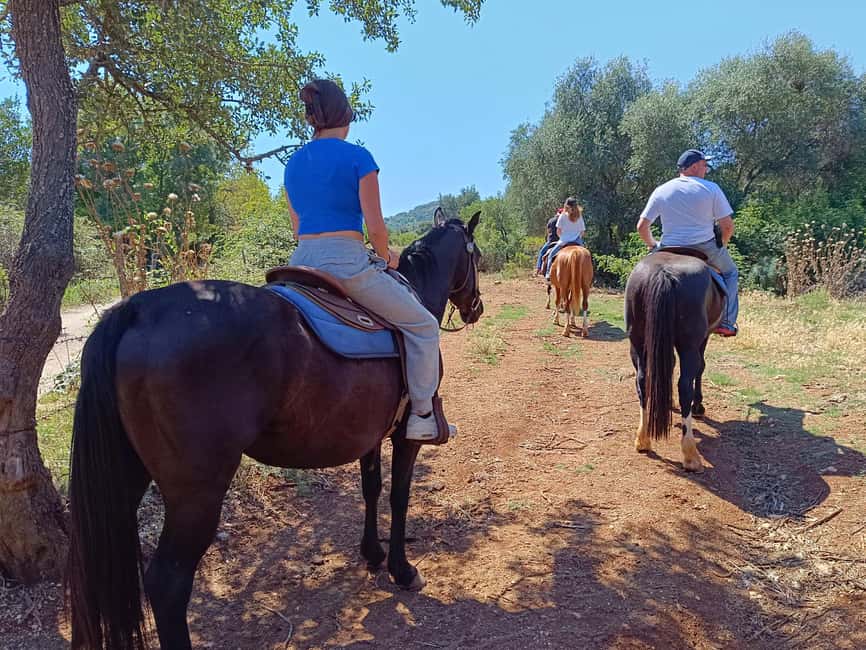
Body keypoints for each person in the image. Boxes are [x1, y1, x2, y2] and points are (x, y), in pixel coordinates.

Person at [283, 78, 452, 442]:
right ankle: (422, 415)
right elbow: (375, 227)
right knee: (423, 325)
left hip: (298, 265)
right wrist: (386, 256)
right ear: (345, 117)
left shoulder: (293, 164)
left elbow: (298, 228)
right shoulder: (359, 157)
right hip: (345, 263)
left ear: (312, 119)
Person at [636, 149, 739, 336]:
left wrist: (652, 245)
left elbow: (642, 227)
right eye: (704, 165)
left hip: (668, 248)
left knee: (641, 274)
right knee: (731, 273)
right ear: (694, 166)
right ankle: (727, 322)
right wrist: (721, 246)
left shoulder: (662, 190)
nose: (706, 169)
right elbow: (727, 226)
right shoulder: (711, 188)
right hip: (705, 248)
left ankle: (638, 318)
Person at [543, 198, 586, 279]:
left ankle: (548, 273)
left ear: (566, 206)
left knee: (551, 255)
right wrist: (577, 238)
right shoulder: (579, 216)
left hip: (564, 241)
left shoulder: (562, 216)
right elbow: (582, 231)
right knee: (586, 256)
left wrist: (562, 238)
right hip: (577, 241)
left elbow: (558, 231)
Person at [535, 208, 562, 276]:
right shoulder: (564, 221)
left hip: (552, 241)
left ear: (557, 213)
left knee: (542, 252)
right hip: (562, 240)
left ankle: (538, 268)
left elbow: (548, 231)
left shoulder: (551, 220)